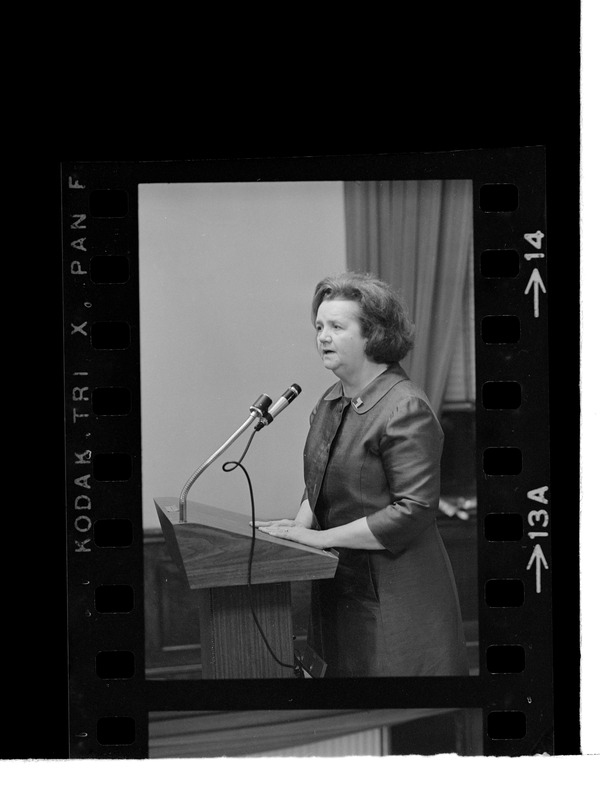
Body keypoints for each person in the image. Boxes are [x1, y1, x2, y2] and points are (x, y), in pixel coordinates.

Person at [257, 272, 469, 677]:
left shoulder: (405, 407)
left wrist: (318, 538)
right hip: (341, 588)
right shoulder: (332, 399)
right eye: (319, 326)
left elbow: (414, 509)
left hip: (397, 598)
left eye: (337, 327)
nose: (322, 336)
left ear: (374, 335)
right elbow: (319, 477)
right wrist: (296, 526)